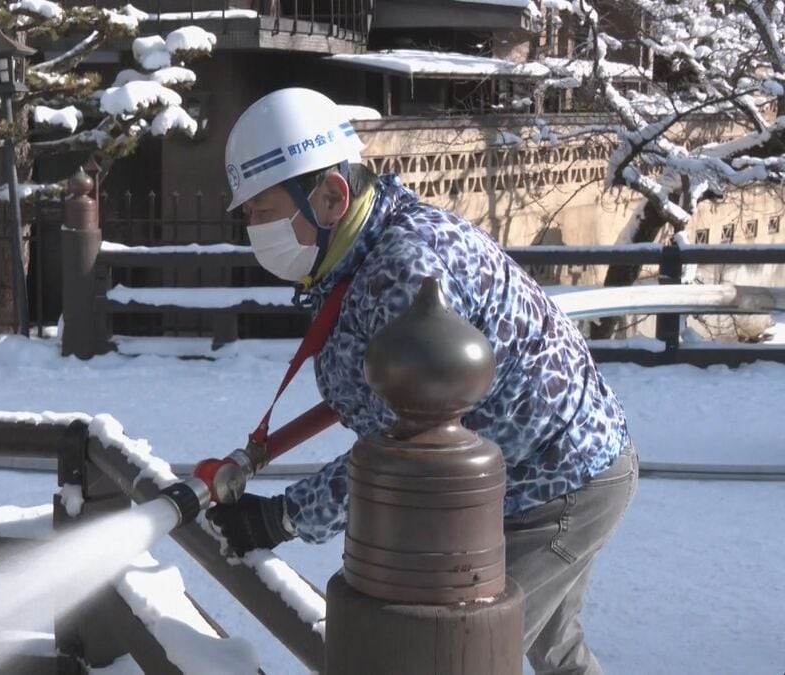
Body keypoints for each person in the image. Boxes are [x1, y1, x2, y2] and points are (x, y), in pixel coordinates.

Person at [206, 88, 637, 675]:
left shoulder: (405, 271)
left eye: (261, 212)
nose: (253, 229)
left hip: (558, 480)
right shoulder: (365, 249)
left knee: (470, 654)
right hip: (528, 473)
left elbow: (408, 456)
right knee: (553, 649)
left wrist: (281, 517)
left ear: (330, 196)